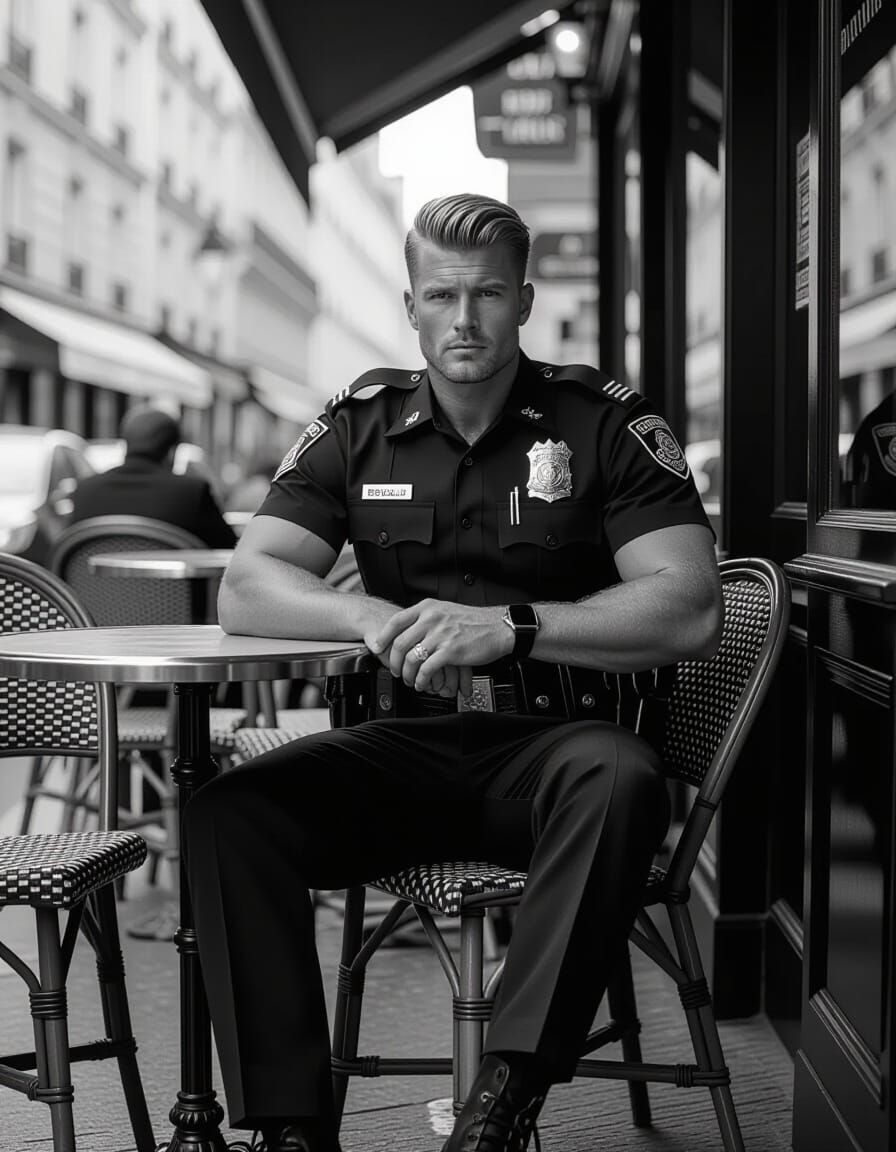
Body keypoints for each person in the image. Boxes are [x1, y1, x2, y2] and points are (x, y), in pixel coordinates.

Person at [183, 193, 723, 1152]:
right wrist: (359, 611)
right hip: (401, 747)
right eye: (441, 296)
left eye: (485, 295)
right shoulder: (359, 425)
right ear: (411, 307)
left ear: (521, 300)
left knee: (620, 779)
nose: (463, 319)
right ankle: (292, 1129)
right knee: (228, 814)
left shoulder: (602, 423)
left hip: (557, 751)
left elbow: (688, 604)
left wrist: (510, 628)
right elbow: (248, 586)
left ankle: (504, 1101)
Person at [69, 405, 237, 548]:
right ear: (172, 451)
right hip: (173, 587)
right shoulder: (192, 493)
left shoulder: (85, 491)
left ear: (125, 444)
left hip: (94, 587)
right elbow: (228, 549)